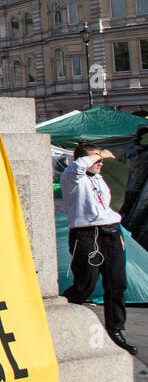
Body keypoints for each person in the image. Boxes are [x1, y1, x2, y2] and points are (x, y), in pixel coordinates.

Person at [60, 143, 137, 355]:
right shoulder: (72, 177)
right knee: (85, 284)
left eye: (101, 159)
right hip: (86, 234)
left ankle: (115, 330)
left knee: (117, 284)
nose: (100, 162)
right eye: (96, 159)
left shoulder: (98, 178)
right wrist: (99, 154)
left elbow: (105, 208)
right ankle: (58, 319)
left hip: (110, 232)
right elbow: (78, 167)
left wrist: (118, 234)